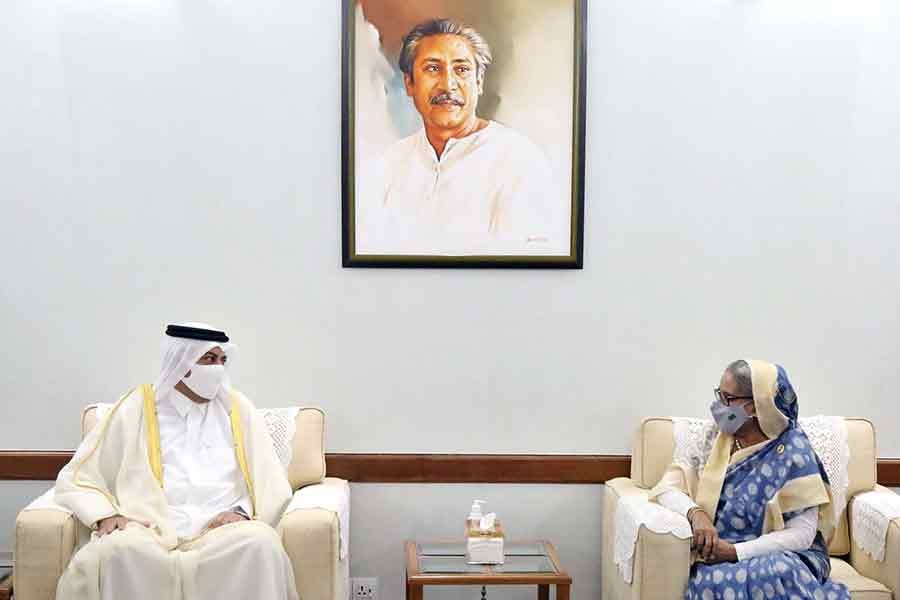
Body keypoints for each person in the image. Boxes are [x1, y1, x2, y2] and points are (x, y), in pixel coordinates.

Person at [54, 323, 297, 600]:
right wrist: (105, 514)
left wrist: (241, 512)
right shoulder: (136, 407)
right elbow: (82, 475)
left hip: (221, 529)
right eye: (208, 359)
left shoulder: (237, 409)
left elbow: (268, 477)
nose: (218, 367)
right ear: (181, 362)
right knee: (117, 551)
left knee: (261, 545)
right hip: (149, 527)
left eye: (222, 360)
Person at [356, 18, 567, 256]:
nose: (448, 85)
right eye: (433, 68)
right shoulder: (388, 165)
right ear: (409, 84)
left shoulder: (519, 161)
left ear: (479, 82)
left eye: (462, 69)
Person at [652, 360, 849, 600]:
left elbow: (802, 535)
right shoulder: (713, 437)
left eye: (728, 399)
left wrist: (736, 552)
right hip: (714, 558)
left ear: (756, 405)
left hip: (782, 557)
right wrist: (696, 513)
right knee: (710, 581)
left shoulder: (793, 450)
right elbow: (666, 490)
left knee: (781, 572)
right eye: (719, 395)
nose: (718, 406)